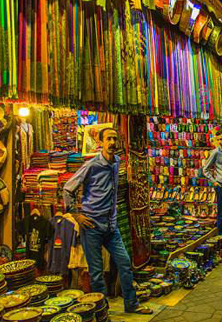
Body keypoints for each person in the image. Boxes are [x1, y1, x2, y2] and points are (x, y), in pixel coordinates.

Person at [63, 128, 152, 315]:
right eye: (108, 139)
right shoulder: (92, 165)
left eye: (115, 139)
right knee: (96, 273)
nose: (112, 142)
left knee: (125, 263)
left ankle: (132, 304)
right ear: (101, 142)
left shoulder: (116, 162)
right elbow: (68, 188)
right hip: (92, 225)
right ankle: (102, 313)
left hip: (111, 225)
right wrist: (76, 214)